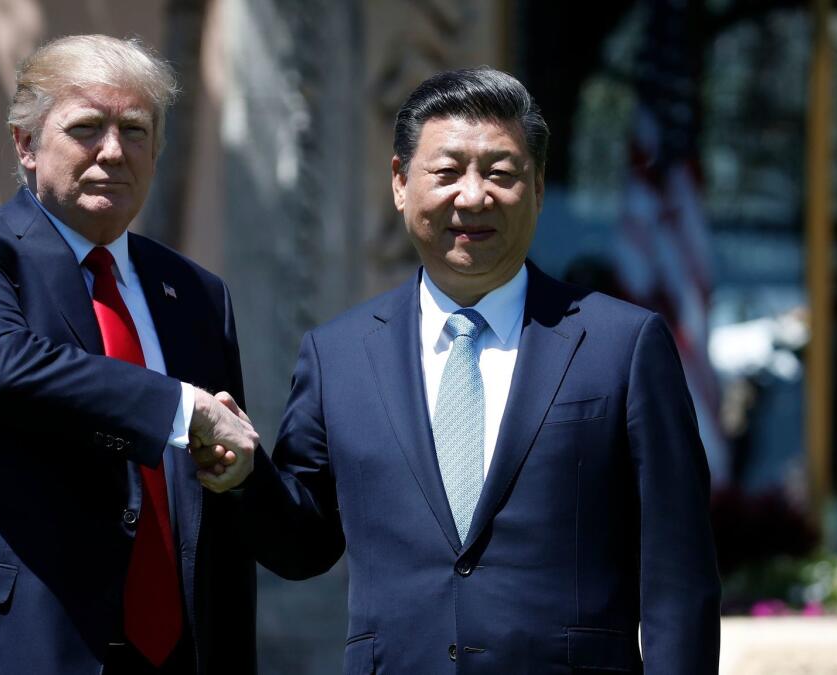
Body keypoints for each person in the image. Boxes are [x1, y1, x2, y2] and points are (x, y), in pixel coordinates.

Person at [210, 68, 721, 673]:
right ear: (400, 183)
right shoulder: (337, 355)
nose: (473, 196)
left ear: (537, 186)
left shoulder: (624, 345)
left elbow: (678, 574)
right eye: (447, 172)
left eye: (501, 173)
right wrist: (246, 475)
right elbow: (304, 544)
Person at [0, 35, 258, 675]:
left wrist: (236, 466)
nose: (114, 151)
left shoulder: (197, 294)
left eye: (136, 129)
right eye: (87, 128)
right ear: (26, 145)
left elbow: (220, 481)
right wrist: (183, 407)